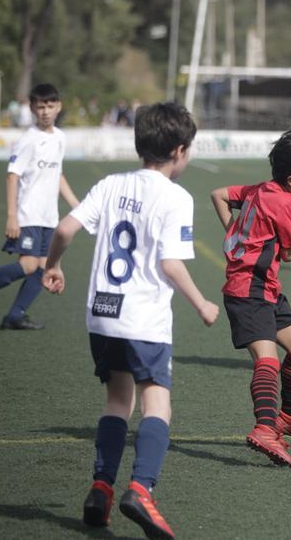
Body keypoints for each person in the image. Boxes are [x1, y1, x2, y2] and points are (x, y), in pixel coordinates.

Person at [42, 102, 219, 540]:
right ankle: (141, 489)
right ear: (179, 150)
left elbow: (64, 230)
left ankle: (100, 488)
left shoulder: (110, 184)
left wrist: (54, 266)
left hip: (103, 316)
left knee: (117, 402)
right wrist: (201, 304)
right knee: (156, 403)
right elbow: (171, 264)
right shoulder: (177, 197)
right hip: (144, 320)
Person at [209, 125, 291, 468]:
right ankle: (265, 428)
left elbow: (218, 194)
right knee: (265, 359)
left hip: (265, 287)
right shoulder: (286, 203)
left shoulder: (261, 189)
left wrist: (234, 234)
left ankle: (288, 418)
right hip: (248, 290)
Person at [0, 83, 80, 330]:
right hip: (28, 213)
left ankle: (15, 315)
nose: (45, 111)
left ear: (58, 107)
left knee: (45, 267)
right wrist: (12, 217)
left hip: (49, 216)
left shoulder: (60, 138)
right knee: (28, 265)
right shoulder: (28, 140)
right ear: (33, 108)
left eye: (50, 106)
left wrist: (77, 205)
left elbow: (58, 174)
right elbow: (12, 176)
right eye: (40, 106)